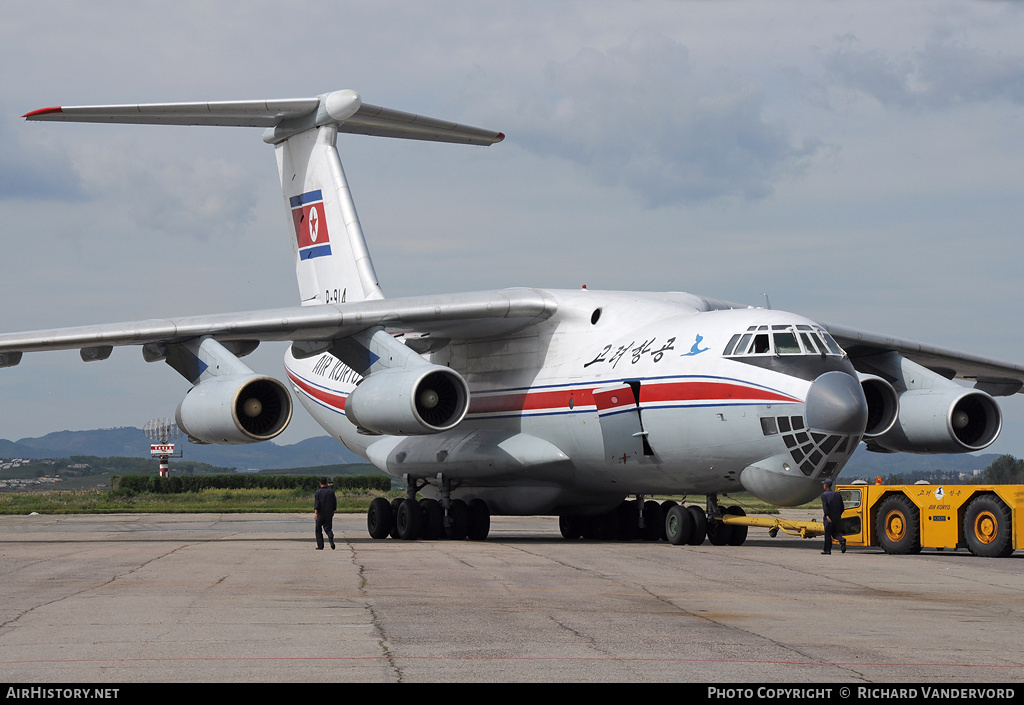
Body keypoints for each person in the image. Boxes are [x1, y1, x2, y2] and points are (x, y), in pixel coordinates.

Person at [820, 478, 846, 555]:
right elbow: (842, 507)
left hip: (829, 517)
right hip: (837, 517)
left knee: (828, 534)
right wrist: (839, 515)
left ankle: (827, 550)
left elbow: (825, 507)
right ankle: (841, 540)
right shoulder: (837, 494)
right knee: (835, 532)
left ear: (826, 486)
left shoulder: (824, 495)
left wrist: (827, 516)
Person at [314, 476, 337, 550]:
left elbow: (317, 503)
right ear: (326, 483)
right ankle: (330, 536)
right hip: (329, 513)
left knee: (318, 529)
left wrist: (315, 513)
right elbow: (334, 503)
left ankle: (320, 546)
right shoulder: (331, 492)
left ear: (320, 483)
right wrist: (333, 511)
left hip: (320, 513)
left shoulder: (318, 492)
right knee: (328, 528)